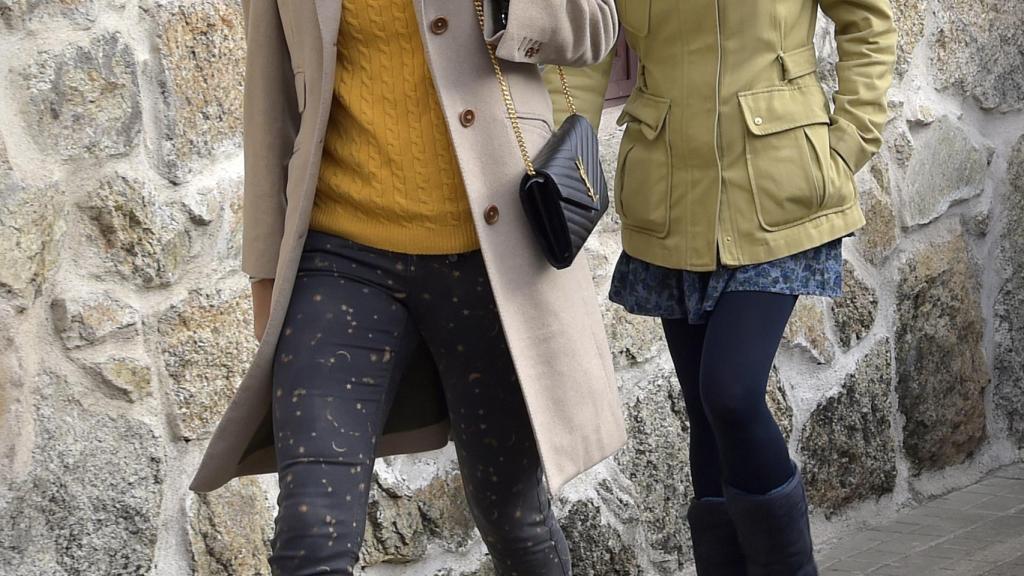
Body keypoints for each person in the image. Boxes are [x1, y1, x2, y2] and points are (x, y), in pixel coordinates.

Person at [189, 1, 627, 574]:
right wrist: (266, 274)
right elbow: (270, 97)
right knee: (309, 539)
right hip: (339, 257)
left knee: (513, 521)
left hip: (493, 263)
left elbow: (596, 26)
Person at [546, 1, 896, 574]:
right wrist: (564, 167)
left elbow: (868, 21)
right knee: (706, 417)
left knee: (730, 394)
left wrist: (849, 140)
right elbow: (584, 53)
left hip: (779, 189)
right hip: (669, 192)